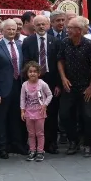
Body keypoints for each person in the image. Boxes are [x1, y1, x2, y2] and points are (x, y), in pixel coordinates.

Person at [57, 16, 91, 157]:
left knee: (87, 116)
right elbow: (60, 61)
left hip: (85, 86)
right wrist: (63, 78)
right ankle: (73, 141)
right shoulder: (64, 43)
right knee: (64, 114)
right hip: (69, 86)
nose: (67, 29)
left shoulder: (88, 44)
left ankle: (88, 144)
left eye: (70, 28)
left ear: (79, 30)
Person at [21, 14, 60, 154]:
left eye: (44, 24)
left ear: (48, 25)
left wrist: (58, 84)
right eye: (38, 24)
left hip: (51, 80)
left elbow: (58, 64)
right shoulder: (28, 42)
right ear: (34, 26)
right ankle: (35, 145)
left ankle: (51, 143)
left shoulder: (55, 41)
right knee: (36, 112)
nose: (41, 27)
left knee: (52, 112)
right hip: (34, 80)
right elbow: (25, 62)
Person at [0, 19, 23, 159]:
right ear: (2, 31)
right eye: (8, 29)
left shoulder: (20, 45)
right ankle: (2, 147)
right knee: (2, 119)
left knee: (16, 117)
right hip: (3, 88)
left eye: (13, 29)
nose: (11, 31)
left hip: (19, 86)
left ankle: (16, 144)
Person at [20, 62, 53, 161]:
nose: (32, 73)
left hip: (40, 113)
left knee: (40, 133)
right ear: (27, 73)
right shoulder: (24, 85)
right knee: (31, 133)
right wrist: (22, 111)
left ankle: (40, 151)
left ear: (39, 73)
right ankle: (32, 150)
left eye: (35, 71)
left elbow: (50, 95)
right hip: (29, 113)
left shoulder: (42, 83)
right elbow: (22, 98)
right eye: (30, 71)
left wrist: (45, 105)